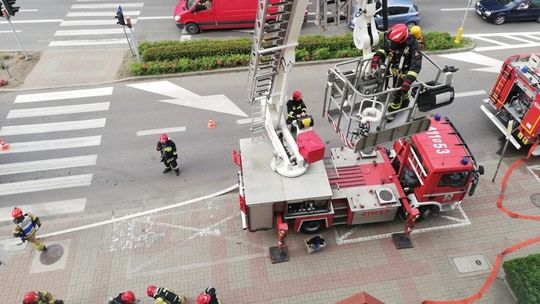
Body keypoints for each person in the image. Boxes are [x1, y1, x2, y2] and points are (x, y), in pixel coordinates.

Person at [371, 23, 422, 122]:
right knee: (401, 90)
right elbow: (385, 48)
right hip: (395, 70)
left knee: (397, 92)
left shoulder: (413, 45)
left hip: (405, 73)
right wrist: (377, 56)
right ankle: (405, 101)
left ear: (402, 41)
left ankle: (393, 110)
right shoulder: (393, 41)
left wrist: (408, 81)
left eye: (394, 43)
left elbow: (416, 65)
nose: (392, 45)